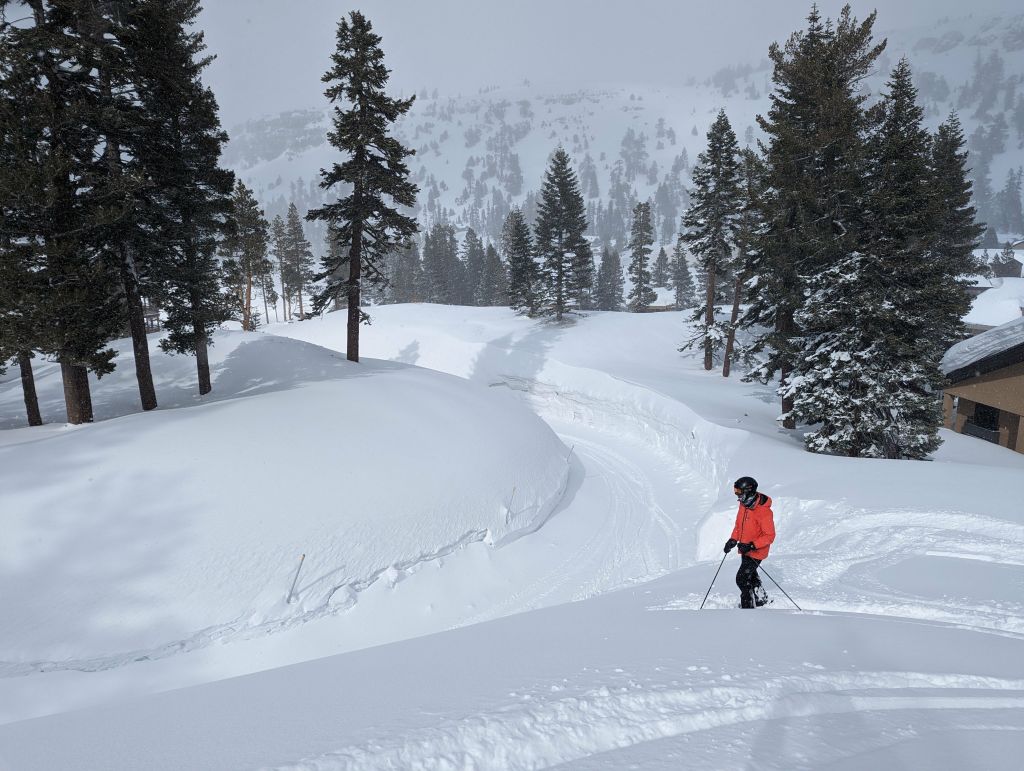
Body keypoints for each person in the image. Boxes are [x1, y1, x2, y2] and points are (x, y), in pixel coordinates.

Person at [723, 476, 775, 609]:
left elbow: (770, 536)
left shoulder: (763, 512)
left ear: (749, 491)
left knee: (741, 579)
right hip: (745, 548)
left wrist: (752, 545)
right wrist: (733, 539)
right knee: (750, 574)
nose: (738, 496)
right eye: (736, 492)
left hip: (756, 551)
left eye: (739, 492)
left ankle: (747, 608)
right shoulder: (744, 505)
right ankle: (760, 598)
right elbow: (739, 525)